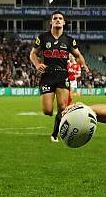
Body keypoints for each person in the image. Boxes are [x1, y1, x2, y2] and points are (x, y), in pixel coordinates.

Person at [30, 11, 88, 143]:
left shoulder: (69, 40)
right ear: (51, 22)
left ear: (64, 22)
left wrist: (83, 65)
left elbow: (78, 55)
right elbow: (33, 54)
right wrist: (37, 64)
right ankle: (56, 122)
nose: (57, 20)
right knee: (47, 110)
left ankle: (56, 133)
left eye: (60, 18)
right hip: (47, 75)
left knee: (62, 107)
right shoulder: (43, 38)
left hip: (62, 74)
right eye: (55, 18)